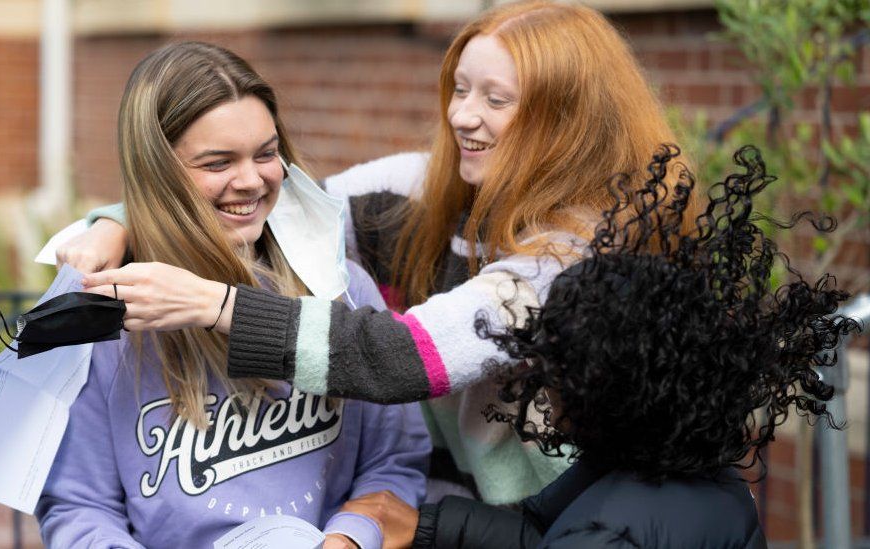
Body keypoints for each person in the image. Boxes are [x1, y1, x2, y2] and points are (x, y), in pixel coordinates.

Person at [64, 0, 692, 506]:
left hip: (561, 514)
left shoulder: (571, 256)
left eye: (496, 100)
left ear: (566, 121)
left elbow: (399, 359)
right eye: (460, 88)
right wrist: (115, 223)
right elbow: (262, 204)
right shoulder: (415, 189)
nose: (463, 117)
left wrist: (214, 304)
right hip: (444, 496)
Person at [35, 41, 430, 549]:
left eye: (266, 154)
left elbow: (394, 462)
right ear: (158, 172)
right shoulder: (102, 320)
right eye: (218, 162)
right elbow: (77, 506)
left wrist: (352, 538)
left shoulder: (340, 288)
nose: (250, 181)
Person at [395, 145, 857, 547]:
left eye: (554, 371)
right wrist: (429, 527)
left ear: (601, 395)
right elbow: (543, 532)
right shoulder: (692, 470)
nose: (544, 385)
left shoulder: (608, 530)